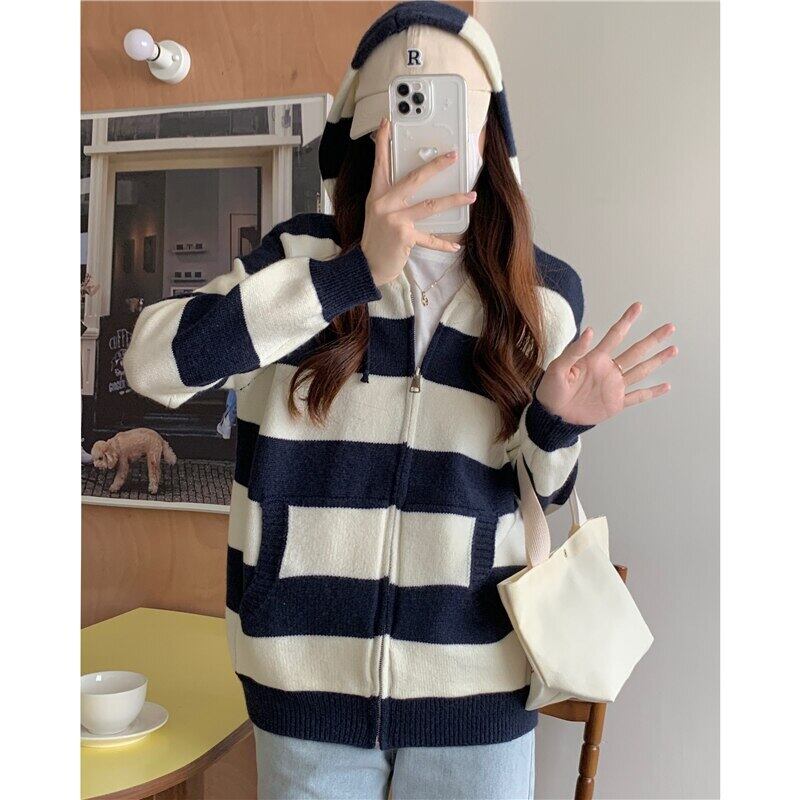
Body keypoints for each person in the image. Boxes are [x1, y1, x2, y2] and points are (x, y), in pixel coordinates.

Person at [122, 3, 677, 797]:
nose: (427, 141)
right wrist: (349, 275)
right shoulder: (300, 259)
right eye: (401, 113)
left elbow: (544, 494)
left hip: (477, 692)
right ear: (361, 133)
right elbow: (152, 364)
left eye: (454, 115)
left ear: (490, 138)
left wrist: (559, 424)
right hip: (306, 693)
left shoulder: (543, 294)